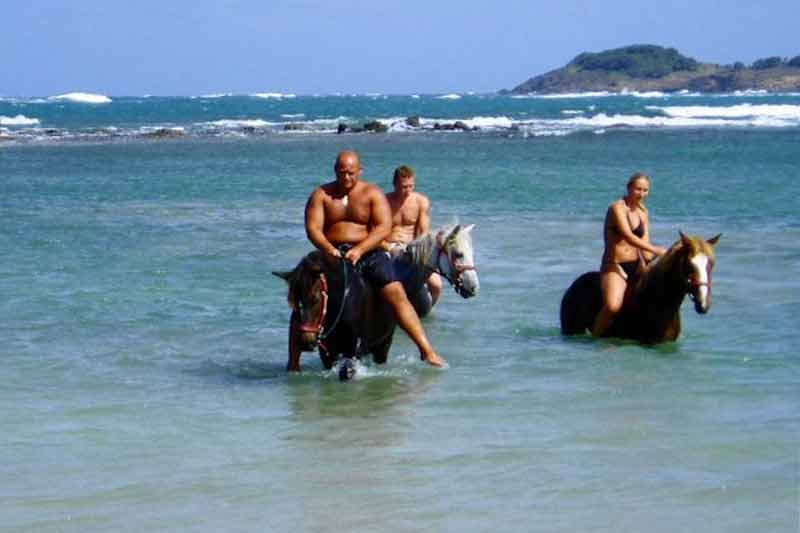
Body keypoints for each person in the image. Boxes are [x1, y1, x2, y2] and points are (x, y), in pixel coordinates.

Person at [298, 150, 446, 370]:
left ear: (359, 171)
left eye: (350, 173)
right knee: (303, 288)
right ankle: (293, 361)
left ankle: (426, 350)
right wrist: (328, 248)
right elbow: (313, 228)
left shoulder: (372, 193)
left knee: (395, 291)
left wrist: (360, 249)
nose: (346, 178)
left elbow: (383, 227)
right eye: (341, 173)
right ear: (335, 171)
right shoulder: (321, 195)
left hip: (368, 252)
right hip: (331, 254)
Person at [592, 172, 667, 337]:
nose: (641, 194)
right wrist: (657, 250)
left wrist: (656, 257)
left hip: (637, 265)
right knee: (613, 306)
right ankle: (595, 338)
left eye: (645, 190)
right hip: (615, 265)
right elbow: (628, 236)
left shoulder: (643, 212)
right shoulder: (617, 208)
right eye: (637, 189)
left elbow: (645, 244)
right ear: (629, 188)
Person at [382, 165, 443, 306]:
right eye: (404, 187)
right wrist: (388, 247)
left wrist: (415, 253)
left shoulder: (421, 201)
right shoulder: (384, 201)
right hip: (389, 247)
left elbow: (423, 233)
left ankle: (426, 313)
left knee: (436, 286)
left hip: (412, 248)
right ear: (395, 184)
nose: (407, 191)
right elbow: (377, 230)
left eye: (411, 186)